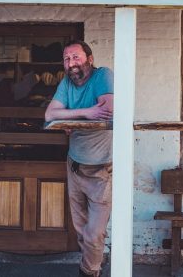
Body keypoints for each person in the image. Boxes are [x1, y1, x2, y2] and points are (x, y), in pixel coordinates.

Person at [45, 40, 114, 277]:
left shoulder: (103, 75)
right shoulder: (66, 82)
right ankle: (92, 268)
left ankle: (89, 271)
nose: (71, 63)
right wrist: (86, 112)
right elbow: (50, 114)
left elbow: (108, 110)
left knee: (95, 232)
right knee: (81, 230)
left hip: (101, 170)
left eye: (75, 57)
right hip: (74, 165)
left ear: (90, 59)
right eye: (66, 59)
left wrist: (70, 120)